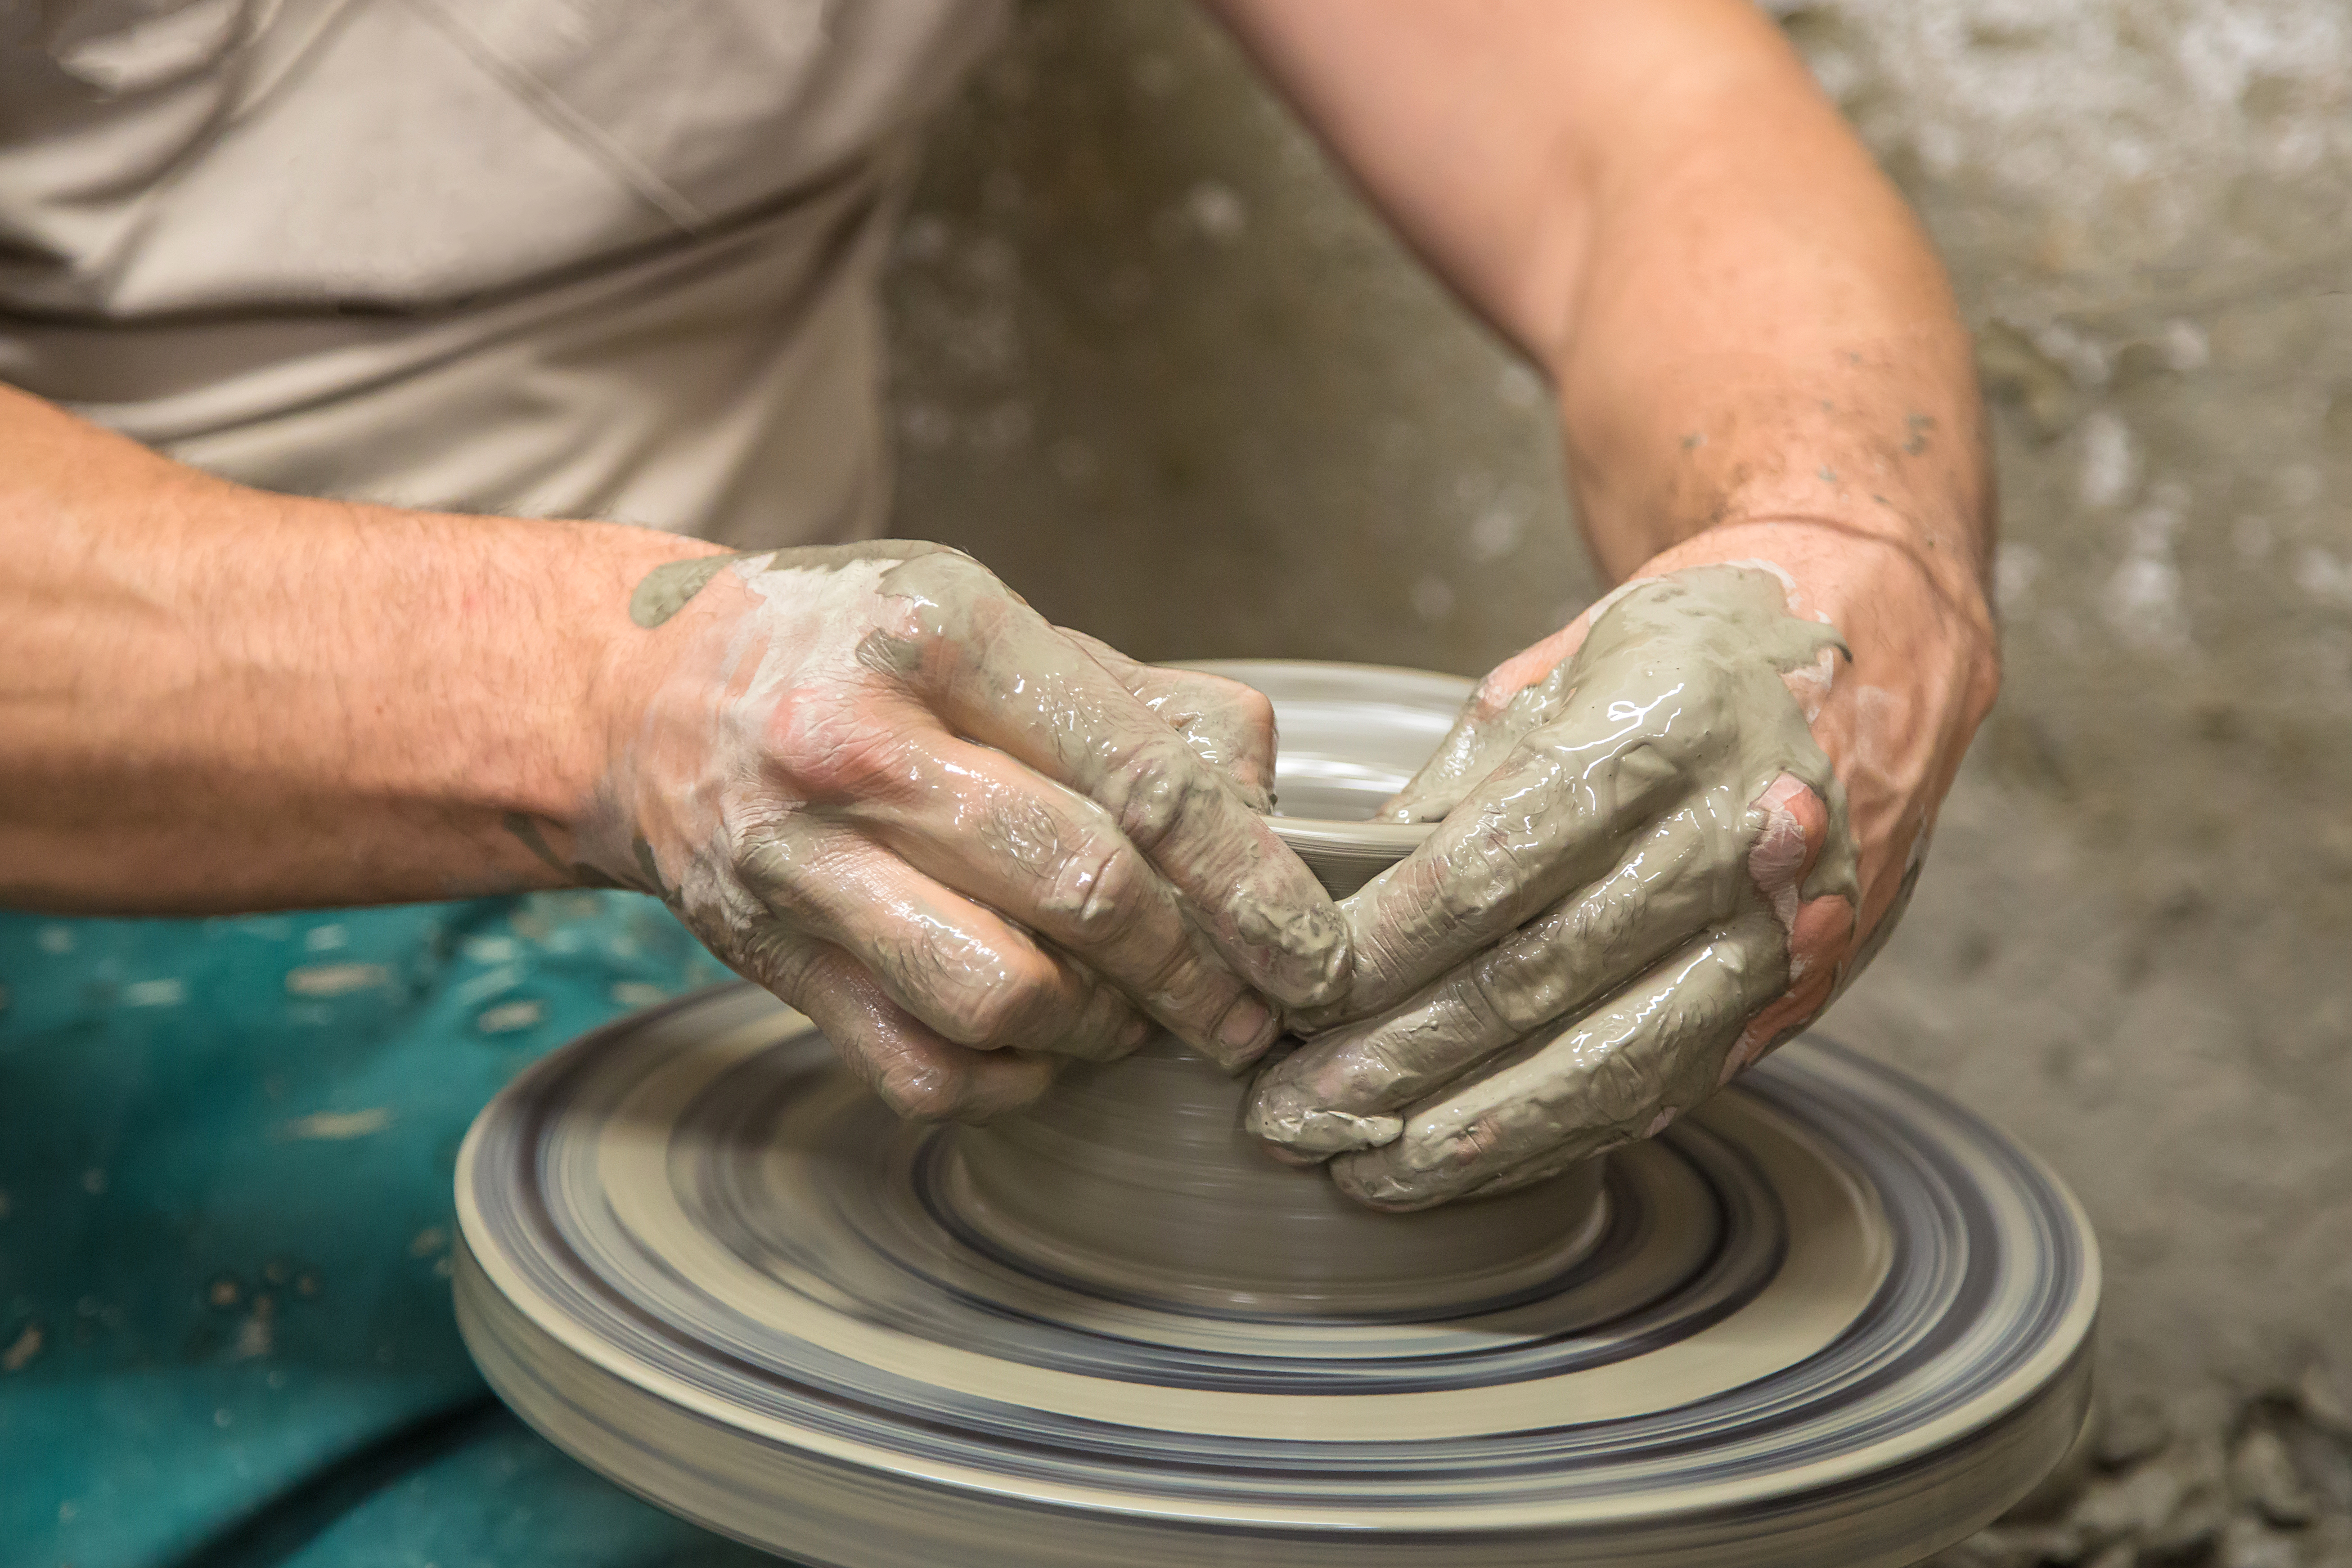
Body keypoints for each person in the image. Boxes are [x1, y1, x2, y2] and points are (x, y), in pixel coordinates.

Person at [0, 0, 1997, 1560]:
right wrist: (608, 695)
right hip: (128, 804)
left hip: (762, 830)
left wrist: (1845, 548)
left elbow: (1622, 113)